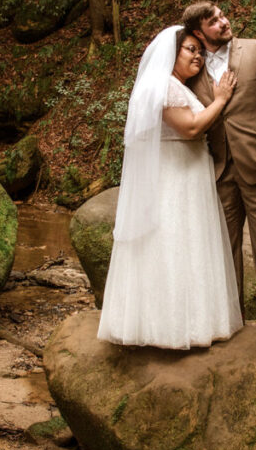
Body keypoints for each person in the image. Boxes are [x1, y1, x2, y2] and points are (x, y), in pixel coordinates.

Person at [97, 25, 243, 349]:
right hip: (175, 177)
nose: (198, 56)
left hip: (186, 173)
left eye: (200, 51)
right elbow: (191, 128)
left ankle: (193, 324)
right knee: (174, 246)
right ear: (171, 53)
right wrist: (220, 100)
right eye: (190, 49)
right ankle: (168, 329)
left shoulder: (177, 87)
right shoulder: (164, 87)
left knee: (189, 247)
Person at [181, 2, 256, 341]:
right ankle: (230, 316)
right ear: (197, 33)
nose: (223, 22)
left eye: (221, 15)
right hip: (219, 169)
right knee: (223, 246)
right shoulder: (192, 67)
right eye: (213, 21)